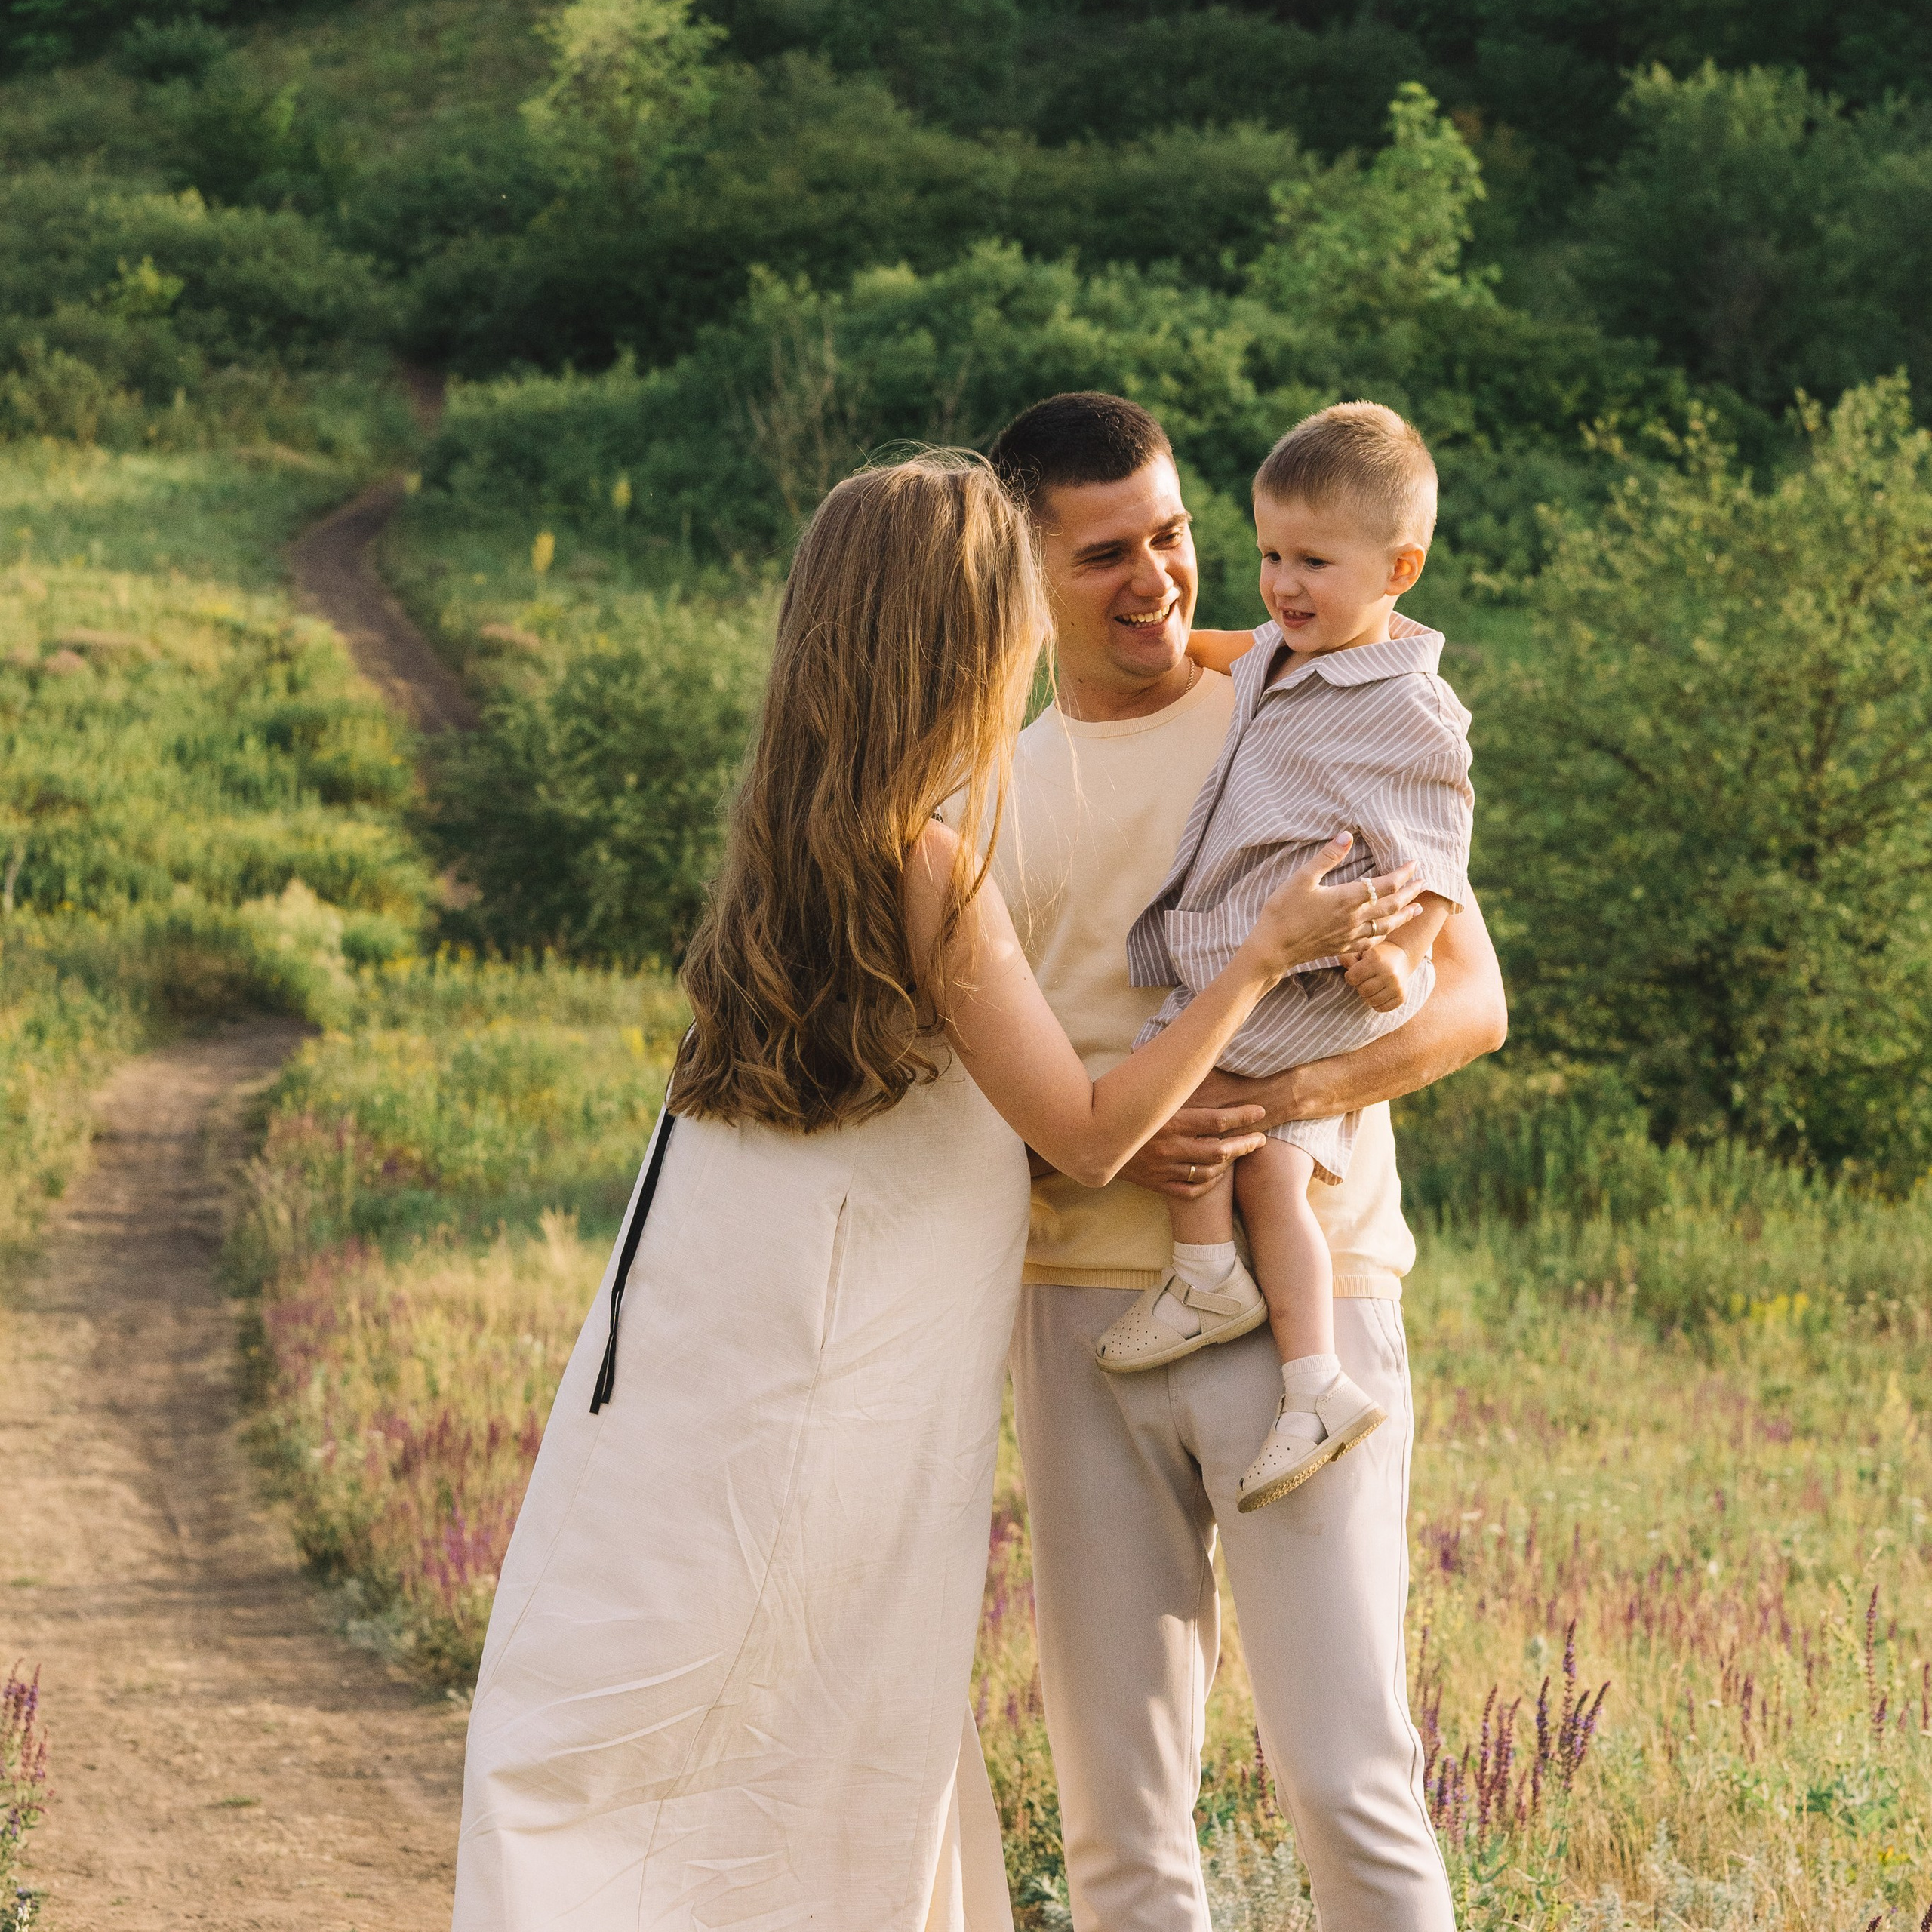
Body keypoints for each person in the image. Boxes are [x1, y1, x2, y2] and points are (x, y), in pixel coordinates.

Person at [450, 451, 1419, 1931]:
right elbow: (1087, 1131)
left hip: (748, 1342)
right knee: (849, 1691)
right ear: (965, 635)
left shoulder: (798, 838)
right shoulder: (936, 859)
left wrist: (1264, 645)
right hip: (872, 1361)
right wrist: (1266, 946)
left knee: (787, 1698)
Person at [983, 393, 1506, 1932]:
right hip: (1081, 1316)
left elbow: (1470, 999)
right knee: (1116, 1812)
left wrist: (1286, 1100)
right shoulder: (985, 787)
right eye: (1101, 555)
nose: (1157, 580)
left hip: (1311, 1291)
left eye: (1171, 536)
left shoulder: (1301, 701)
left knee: (1348, 1774)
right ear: (1022, 571)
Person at [1095, 401, 1474, 1519]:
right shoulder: (1285, 652)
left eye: (1314, 561)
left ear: (1399, 567)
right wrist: (1176, 655)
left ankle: (1211, 1281)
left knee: (1186, 1080)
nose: (1282, 583)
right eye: (1268, 554)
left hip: (1313, 969)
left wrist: (1402, 966)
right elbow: (1231, 649)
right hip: (1286, 958)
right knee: (1268, 1171)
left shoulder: (1410, 707)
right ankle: (1313, 1382)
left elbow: (1437, 855)